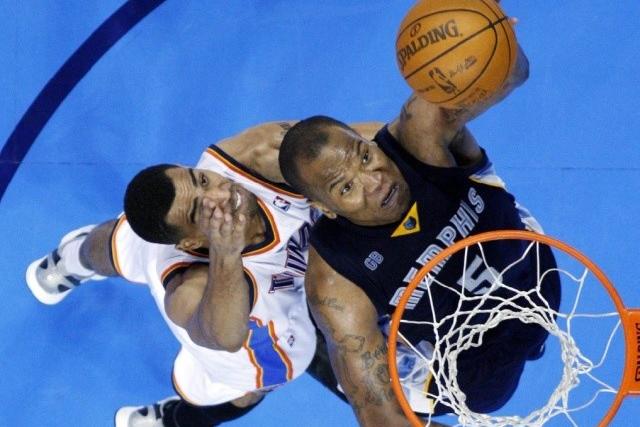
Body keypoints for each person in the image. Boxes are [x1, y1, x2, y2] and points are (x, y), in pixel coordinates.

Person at [277, 43, 561, 425]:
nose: (374, 181)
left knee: (531, 340)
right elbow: (376, 411)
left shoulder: (420, 134)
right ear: (325, 208)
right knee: (350, 356)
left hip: (534, 282)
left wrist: (491, 36)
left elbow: (516, 71)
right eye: (346, 187)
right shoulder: (335, 281)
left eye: (365, 156)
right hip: (466, 371)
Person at [25, 122, 380, 427]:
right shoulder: (188, 286)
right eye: (200, 208)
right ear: (191, 242)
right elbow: (224, 336)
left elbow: (359, 140)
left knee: (121, 237)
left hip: (295, 277)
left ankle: (76, 256)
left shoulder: (252, 156)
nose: (220, 193)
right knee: (250, 385)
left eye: (202, 180)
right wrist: (226, 252)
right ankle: (72, 261)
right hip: (240, 317)